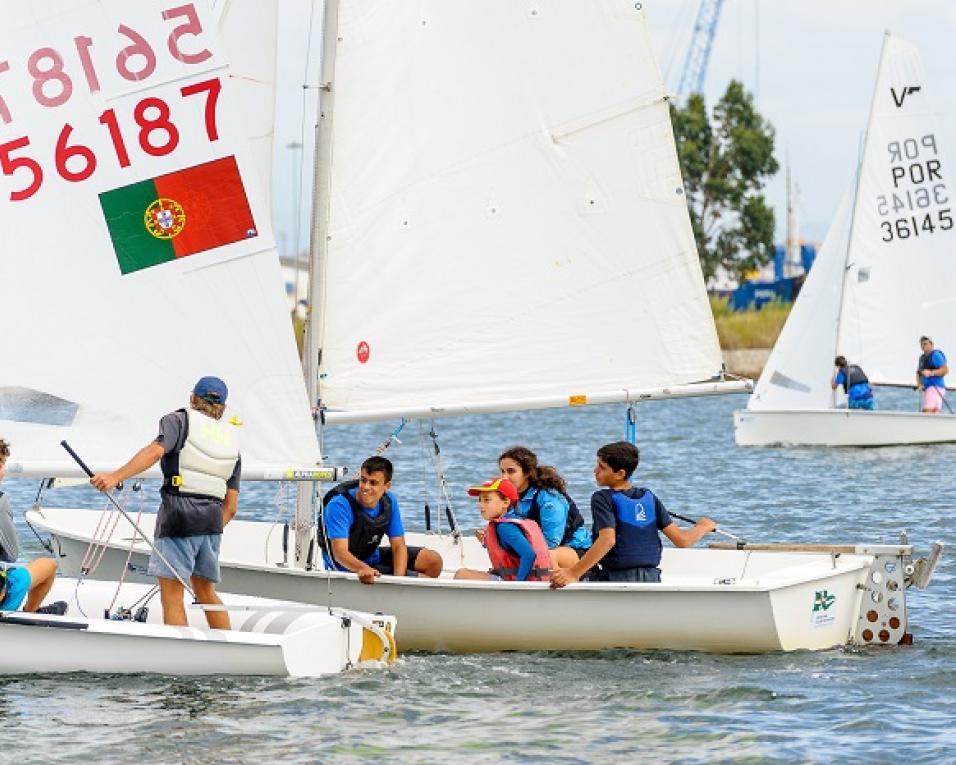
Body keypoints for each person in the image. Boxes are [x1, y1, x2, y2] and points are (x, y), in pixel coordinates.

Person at [90, 376, 240, 629]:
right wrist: (209, 527)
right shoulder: (232, 441)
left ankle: (179, 664)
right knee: (206, 593)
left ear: (193, 398)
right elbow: (232, 507)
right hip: (213, 522)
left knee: (172, 596)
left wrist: (115, 477)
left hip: (179, 516)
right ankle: (231, 648)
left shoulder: (178, 420)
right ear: (222, 407)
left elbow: (155, 451)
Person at [550, 442, 716, 588]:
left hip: (616, 579)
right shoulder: (649, 497)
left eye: (602, 467)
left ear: (620, 474)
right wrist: (703, 527)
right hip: (652, 579)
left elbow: (607, 539)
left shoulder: (602, 498)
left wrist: (573, 573)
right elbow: (683, 540)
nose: (595, 471)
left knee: (560, 571)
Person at [317, 456, 443, 585]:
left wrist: (398, 581)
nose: (365, 487)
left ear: (387, 486)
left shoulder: (389, 501)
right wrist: (363, 568)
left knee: (433, 560)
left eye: (373, 483)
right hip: (345, 566)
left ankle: (396, 599)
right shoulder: (339, 505)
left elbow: (398, 546)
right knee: (425, 580)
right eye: (363, 480)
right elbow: (339, 553)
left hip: (372, 556)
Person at [0, 438, 67, 615]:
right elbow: (11, 554)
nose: (4, 472)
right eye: (2, 465)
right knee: (49, 565)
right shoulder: (1, 500)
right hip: (2, 600)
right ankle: (30, 613)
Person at [498, 446, 591, 568]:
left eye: (511, 471)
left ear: (527, 473)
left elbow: (551, 542)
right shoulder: (512, 498)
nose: (504, 477)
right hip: (541, 549)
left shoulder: (548, 498)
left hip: (575, 550)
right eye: (502, 471)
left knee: (546, 555)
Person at [454, 478, 552, 582]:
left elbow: (529, 554)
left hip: (516, 582)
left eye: (487, 500)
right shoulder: (517, 520)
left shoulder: (505, 527)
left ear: (505, 502)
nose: (481, 505)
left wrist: (518, 585)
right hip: (536, 579)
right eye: (480, 500)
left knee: (461, 574)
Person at [916, 336, 949, 414]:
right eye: (922, 345)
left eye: (925, 344)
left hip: (935, 387)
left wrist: (931, 373)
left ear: (931, 344)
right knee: (934, 414)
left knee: (926, 413)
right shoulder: (922, 358)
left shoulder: (936, 355)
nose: (923, 346)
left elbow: (945, 370)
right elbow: (918, 373)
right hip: (927, 389)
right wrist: (919, 384)